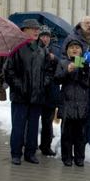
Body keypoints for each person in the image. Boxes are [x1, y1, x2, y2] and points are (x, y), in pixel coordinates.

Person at [5, 19, 53, 165]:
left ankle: (30, 153)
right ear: (24, 30)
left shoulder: (42, 49)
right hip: (20, 95)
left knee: (33, 127)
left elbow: (48, 71)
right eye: (32, 28)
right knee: (18, 126)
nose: (36, 31)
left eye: (37, 29)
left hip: (37, 96)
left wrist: (42, 84)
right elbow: (9, 71)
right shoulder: (17, 47)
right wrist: (19, 85)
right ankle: (16, 154)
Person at [55, 37, 90, 166]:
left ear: (81, 51)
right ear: (67, 51)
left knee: (80, 134)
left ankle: (80, 158)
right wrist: (67, 71)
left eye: (77, 48)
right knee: (66, 134)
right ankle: (66, 157)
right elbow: (57, 79)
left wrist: (85, 68)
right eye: (71, 48)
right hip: (66, 103)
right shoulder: (62, 63)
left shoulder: (86, 64)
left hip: (82, 104)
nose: (74, 49)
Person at [37, 26, 60, 157]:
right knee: (33, 120)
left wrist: (54, 59)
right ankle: (30, 144)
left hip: (51, 92)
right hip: (38, 91)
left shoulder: (56, 50)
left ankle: (46, 146)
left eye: (47, 36)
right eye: (42, 36)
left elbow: (61, 66)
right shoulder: (35, 49)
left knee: (48, 122)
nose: (45, 39)